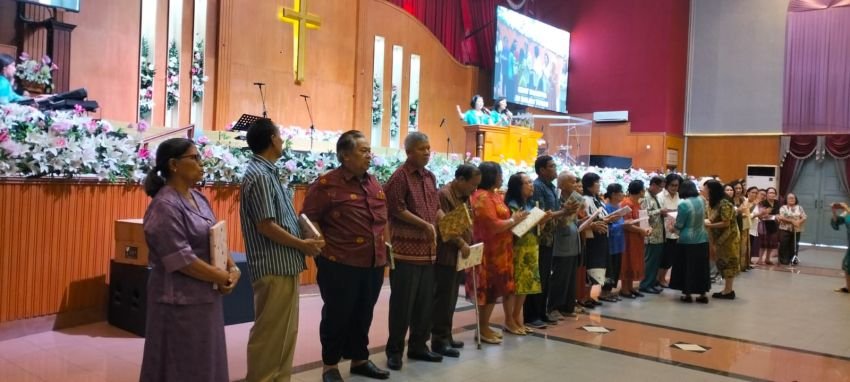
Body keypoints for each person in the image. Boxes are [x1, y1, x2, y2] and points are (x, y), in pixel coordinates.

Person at [140, 138, 239, 382]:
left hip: (206, 298)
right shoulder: (165, 205)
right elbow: (180, 258)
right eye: (194, 158)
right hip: (177, 303)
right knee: (180, 365)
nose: (201, 163)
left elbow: (216, 236)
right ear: (174, 164)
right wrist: (220, 276)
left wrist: (232, 267)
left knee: (206, 361)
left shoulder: (200, 198)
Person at [302, 130, 391, 382]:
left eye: (369, 151)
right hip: (340, 263)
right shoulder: (326, 184)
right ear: (345, 155)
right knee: (337, 315)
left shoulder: (373, 182)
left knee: (364, 313)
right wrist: (322, 249)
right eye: (363, 151)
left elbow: (383, 220)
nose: (369, 155)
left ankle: (359, 360)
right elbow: (308, 218)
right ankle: (330, 367)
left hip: (373, 263)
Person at [240, 118, 325, 382]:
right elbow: (266, 225)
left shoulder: (268, 172)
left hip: (284, 264)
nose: (282, 140)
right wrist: (302, 244)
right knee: (270, 336)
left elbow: (278, 220)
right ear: (272, 140)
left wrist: (304, 232)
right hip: (273, 265)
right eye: (280, 135)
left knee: (284, 334)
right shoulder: (261, 175)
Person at [384, 132, 444, 370]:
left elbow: (436, 208)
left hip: (428, 252)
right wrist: (424, 225)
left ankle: (419, 346)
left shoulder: (430, 176)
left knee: (424, 304)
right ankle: (395, 351)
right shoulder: (400, 176)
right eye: (422, 148)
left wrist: (446, 222)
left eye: (429, 148)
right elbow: (396, 208)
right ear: (409, 152)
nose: (427, 152)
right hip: (405, 252)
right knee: (402, 305)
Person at [468, 161, 528, 344]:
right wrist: (513, 220)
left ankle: (486, 327)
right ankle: (482, 328)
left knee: (495, 291)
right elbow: (492, 225)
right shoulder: (482, 197)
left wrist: (514, 220)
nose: (502, 177)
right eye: (499, 174)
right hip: (488, 252)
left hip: (501, 251)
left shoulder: (494, 195)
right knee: (487, 290)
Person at [431, 164, 481, 358]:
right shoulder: (444, 195)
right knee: (443, 299)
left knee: (451, 298)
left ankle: (447, 335)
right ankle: (438, 340)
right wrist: (461, 243)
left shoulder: (465, 196)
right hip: (446, 253)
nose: (474, 189)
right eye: (472, 185)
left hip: (460, 255)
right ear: (460, 179)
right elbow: (444, 225)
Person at [504, 172, 544, 334]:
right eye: (527, 183)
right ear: (517, 187)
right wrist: (532, 220)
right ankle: (509, 320)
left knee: (526, 285)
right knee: (514, 286)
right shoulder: (512, 204)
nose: (531, 185)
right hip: (517, 249)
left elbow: (535, 228)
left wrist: (542, 220)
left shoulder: (531, 204)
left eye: (530, 182)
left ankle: (517, 318)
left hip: (531, 247)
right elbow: (514, 230)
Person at [525, 155, 559, 327]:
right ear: (542, 170)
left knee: (545, 277)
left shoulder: (551, 187)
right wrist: (563, 212)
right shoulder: (538, 187)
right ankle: (532, 314)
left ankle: (541, 311)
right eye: (552, 166)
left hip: (549, 238)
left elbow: (554, 212)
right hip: (539, 238)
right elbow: (542, 213)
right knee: (537, 277)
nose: (555, 169)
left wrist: (565, 211)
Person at [548, 172, 584, 317]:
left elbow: (573, 221)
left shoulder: (574, 200)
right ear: (561, 184)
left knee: (570, 278)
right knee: (560, 277)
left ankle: (568, 306)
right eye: (572, 182)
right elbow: (555, 221)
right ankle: (554, 307)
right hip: (561, 242)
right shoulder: (557, 200)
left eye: (576, 182)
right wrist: (564, 212)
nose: (575, 185)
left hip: (573, 241)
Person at [669, 180, 711, 304]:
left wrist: (672, 228)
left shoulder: (683, 204)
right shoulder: (701, 200)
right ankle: (702, 294)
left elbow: (680, 224)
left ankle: (687, 294)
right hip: (702, 238)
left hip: (687, 240)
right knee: (701, 267)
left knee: (687, 267)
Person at [704, 180, 740, 300]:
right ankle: (726, 289)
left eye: (706, 189)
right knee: (722, 263)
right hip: (720, 238)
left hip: (727, 239)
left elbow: (726, 223)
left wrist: (709, 225)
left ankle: (728, 290)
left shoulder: (724, 203)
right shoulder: (716, 202)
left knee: (728, 262)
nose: (705, 191)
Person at [582, 173, 613, 306]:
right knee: (591, 265)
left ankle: (589, 296)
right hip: (592, 238)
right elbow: (587, 218)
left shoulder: (598, 200)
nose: (599, 185)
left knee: (599, 266)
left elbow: (603, 214)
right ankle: (584, 296)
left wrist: (611, 218)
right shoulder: (585, 199)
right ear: (589, 185)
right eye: (597, 183)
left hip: (602, 237)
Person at [620, 180, 651, 298]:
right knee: (627, 261)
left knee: (635, 261)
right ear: (639, 191)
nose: (644, 191)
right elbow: (626, 224)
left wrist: (647, 228)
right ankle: (624, 289)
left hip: (637, 238)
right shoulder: (626, 203)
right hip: (628, 238)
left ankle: (631, 287)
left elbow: (642, 220)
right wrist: (641, 230)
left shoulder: (638, 203)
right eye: (643, 189)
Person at [639, 176, 666, 294]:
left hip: (658, 234)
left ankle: (651, 282)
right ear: (653, 185)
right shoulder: (645, 197)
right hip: (650, 235)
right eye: (660, 187)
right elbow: (644, 215)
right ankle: (645, 284)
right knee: (650, 262)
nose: (661, 190)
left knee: (655, 262)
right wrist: (659, 211)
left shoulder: (655, 197)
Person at [657, 174, 683, 288]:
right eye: (672, 185)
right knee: (661, 257)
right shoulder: (660, 196)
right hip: (662, 230)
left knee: (670, 257)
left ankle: (662, 278)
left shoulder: (679, 196)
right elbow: (660, 211)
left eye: (677, 185)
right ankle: (657, 278)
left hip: (675, 231)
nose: (674, 188)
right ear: (667, 185)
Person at [778, 193, 806, 265]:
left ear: (795, 199)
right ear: (786, 200)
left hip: (796, 229)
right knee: (784, 244)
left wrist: (798, 222)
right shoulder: (783, 208)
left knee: (794, 244)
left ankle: (793, 259)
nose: (791, 199)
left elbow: (804, 217)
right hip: (785, 229)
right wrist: (792, 221)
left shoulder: (799, 207)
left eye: (793, 198)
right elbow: (781, 217)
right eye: (789, 198)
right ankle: (784, 260)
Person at [830, 202, 850, 294]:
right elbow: (836, 221)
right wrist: (834, 212)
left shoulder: (847, 210)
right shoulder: (847, 212)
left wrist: (846, 207)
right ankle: (848, 287)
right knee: (847, 264)